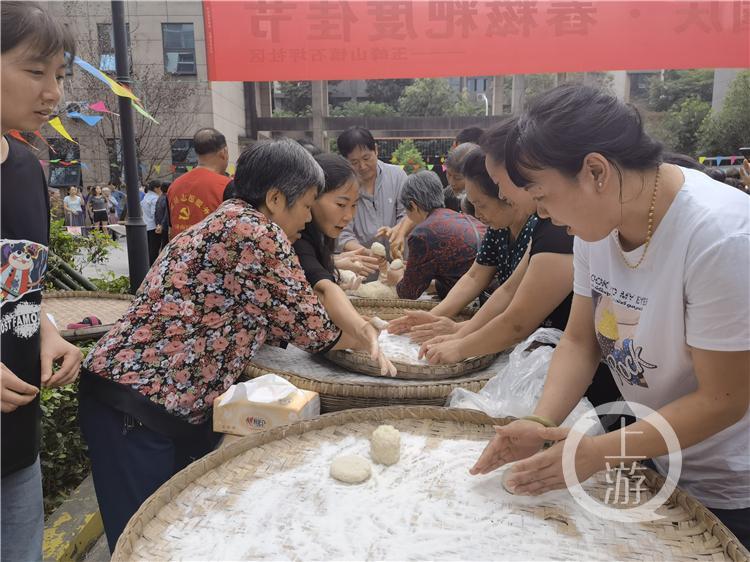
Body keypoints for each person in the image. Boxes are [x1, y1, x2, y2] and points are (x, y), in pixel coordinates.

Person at [78, 139, 394, 551]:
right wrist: (366, 334)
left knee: (170, 533)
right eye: (306, 205)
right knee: (143, 542)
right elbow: (316, 331)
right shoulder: (256, 232)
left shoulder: (230, 220)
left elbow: (284, 314)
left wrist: (355, 327)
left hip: (152, 404)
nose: (307, 217)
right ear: (276, 198)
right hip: (134, 405)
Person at [469, 85, 749, 548]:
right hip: (655, 454)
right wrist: (540, 425)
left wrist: (597, 452)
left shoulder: (720, 237)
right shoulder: (597, 228)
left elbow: (723, 399)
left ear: (595, 171)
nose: (540, 212)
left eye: (542, 194)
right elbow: (580, 342)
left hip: (731, 484)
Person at [1, 3, 83, 561]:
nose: (52, 92)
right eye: (35, 72)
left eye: (58, 75)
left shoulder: (27, 169)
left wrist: (44, 326)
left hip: (14, 443)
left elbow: (17, 282)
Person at [389, 145, 536, 342]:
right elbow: (474, 276)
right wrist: (434, 318)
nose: (476, 214)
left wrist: (460, 333)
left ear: (506, 194)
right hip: (496, 322)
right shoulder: (499, 227)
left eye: (481, 205)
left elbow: (517, 306)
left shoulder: (539, 230)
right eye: (472, 205)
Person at [292, 152, 399, 362]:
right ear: (311, 197)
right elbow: (323, 288)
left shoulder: (320, 236)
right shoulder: (295, 236)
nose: (349, 215)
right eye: (341, 204)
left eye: (354, 205)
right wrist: (361, 331)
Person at [382, 171, 486, 300]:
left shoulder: (422, 234)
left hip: (476, 301)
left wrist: (397, 277)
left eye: (407, 210)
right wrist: (413, 271)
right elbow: (455, 276)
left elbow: (408, 293)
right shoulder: (459, 217)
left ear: (413, 206)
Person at [336, 126, 409, 260]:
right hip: (364, 267)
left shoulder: (397, 176)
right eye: (354, 162)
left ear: (376, 150)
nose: (362, 166)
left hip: (400, 263)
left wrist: (398, 231)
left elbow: (408, 214)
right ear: (345, 161)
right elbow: (343, 234)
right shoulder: (342, 188)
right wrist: (369, 254)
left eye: (366, 158)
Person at [167, 127, 231, 238]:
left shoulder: (174, 186)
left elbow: (171, 229)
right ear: (224, 152)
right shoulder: (227, 186)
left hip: (180, 253)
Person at [442, 142, 477, 212]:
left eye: (457, 178)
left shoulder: (485, 198)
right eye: (449, 174)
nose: (452, 182)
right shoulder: (446, 195)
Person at [142, 180, 161, 265]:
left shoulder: (145, 197)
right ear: (156, 188)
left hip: (146, 226)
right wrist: (159, 225)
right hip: (154, 227)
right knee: (154, 249)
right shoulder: (155, 199)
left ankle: (148, 265)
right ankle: (153, 266)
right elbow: (155, 213)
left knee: (149, 248)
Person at [154, 181, 170, 249]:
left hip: (160, 225)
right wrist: (162, 225)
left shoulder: (159, 198)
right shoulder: (167, 198)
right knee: (166, 246)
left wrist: (158, 224)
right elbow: (166, 214)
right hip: (165, 227)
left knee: (163, 244)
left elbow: (156, 213)